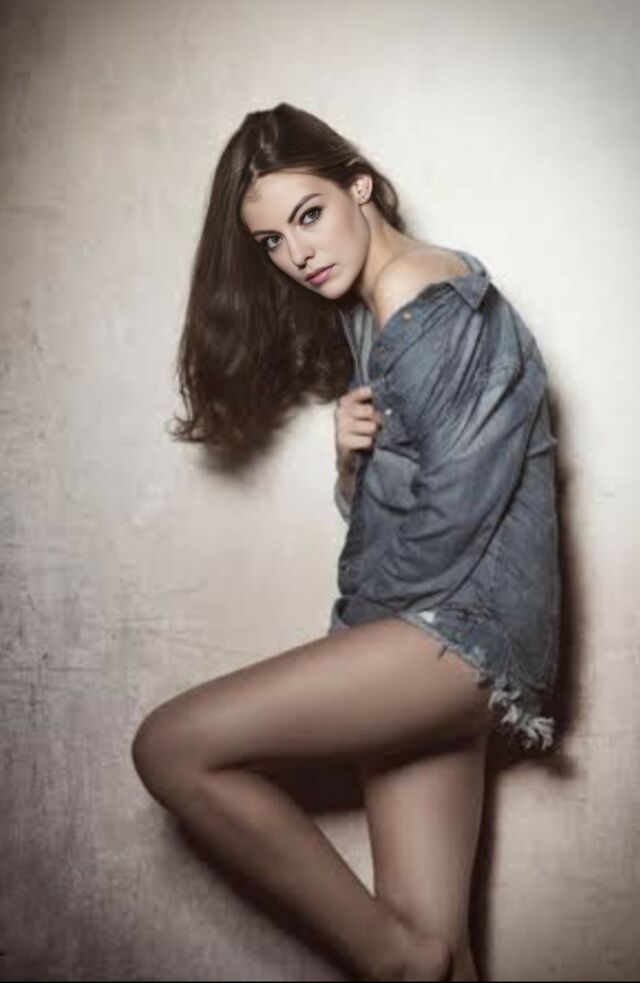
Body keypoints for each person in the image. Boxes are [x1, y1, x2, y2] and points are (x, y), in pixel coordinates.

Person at [131, 103, 561, 982]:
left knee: (171, 747)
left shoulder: (425, 300)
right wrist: (349, 460)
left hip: (455, 631)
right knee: (435, 952)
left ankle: (392, 954)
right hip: (440, 630)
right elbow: (415, 506)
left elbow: (453, 519)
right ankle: (408, 957)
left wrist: (355, 639)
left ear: (358, 186)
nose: (298, 253)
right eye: (272, 241)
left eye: (308, 215)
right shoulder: (373, 315)